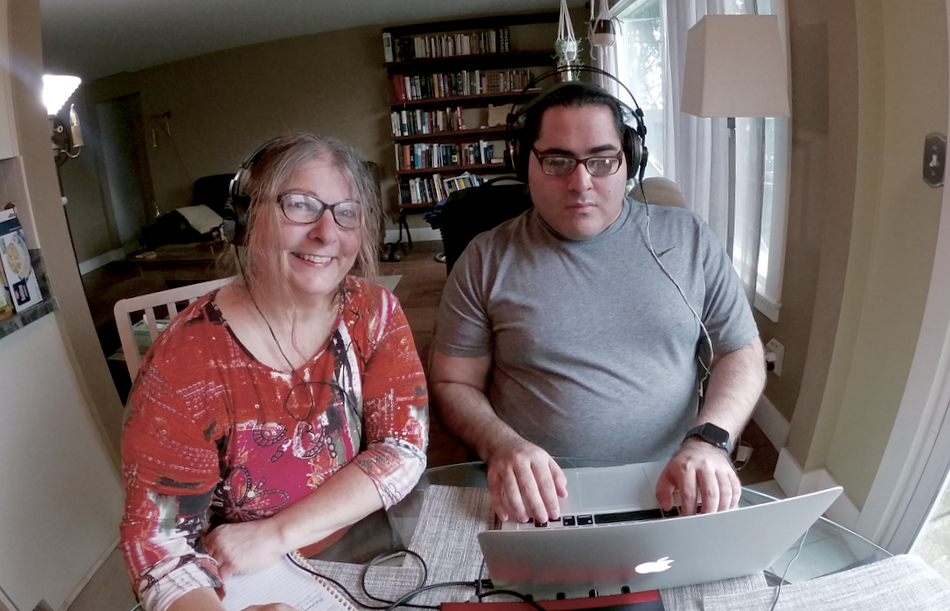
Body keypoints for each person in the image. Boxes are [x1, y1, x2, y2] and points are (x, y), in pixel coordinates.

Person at [430, 82, 765, 527]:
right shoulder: (484, 259)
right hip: (540, 499)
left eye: (602, 160)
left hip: (675, 485)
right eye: (557, 161)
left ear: (630, 161)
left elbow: (740, 352)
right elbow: (453, 382)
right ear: (522, 163)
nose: (581, 182)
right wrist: (501, 445)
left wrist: (709, 441)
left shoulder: (690, 239)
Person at [120, 133, 429, 611]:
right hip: (242, 578)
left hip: (363, 540)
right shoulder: (183, 363)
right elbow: (161, 547)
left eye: (346, 212)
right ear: (244, 221)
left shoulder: (374, 312)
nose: (328, 232)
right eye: (301, 205)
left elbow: (403, 446)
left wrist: (276, 532)